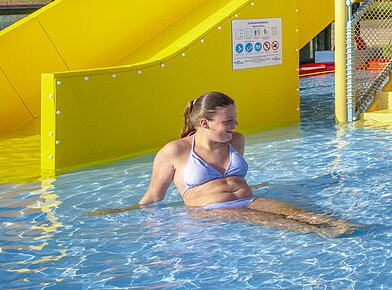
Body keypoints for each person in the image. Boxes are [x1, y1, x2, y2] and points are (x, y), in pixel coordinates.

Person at [133, 91, 361, 236]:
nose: (236, 124)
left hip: (250, 200)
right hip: (209, 211)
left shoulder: (236, 140)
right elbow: (154, 197)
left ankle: (360, 235)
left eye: (235, 118)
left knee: (310, 216)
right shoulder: (175, 150)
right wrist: (129, 215)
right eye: (228, 121)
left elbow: (231, 180)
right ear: (205, 122)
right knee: (288, 224)